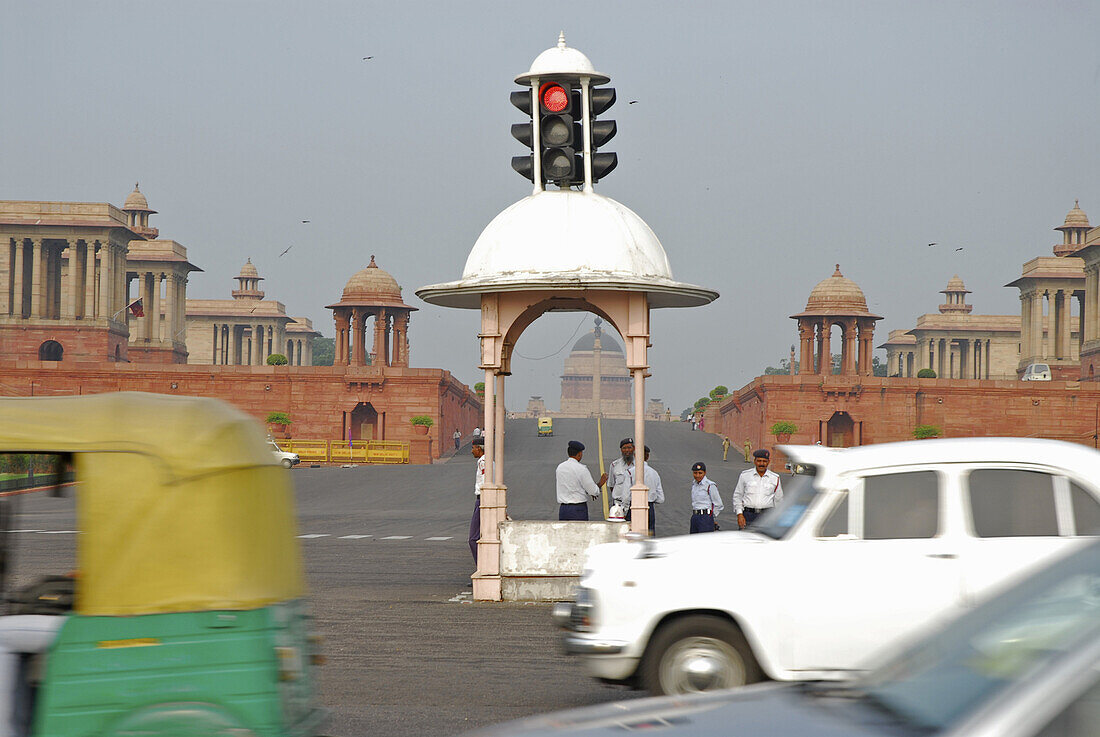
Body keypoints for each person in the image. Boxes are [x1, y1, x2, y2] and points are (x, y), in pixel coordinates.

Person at [555, 440, 607, 520]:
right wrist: (600, 483)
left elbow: (573, 486)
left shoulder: (560, 467)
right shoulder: (581, 469)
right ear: (579, 454)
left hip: (563, 509)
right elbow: (593, 491)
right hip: (578, 510)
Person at [733, 448, 783, 529]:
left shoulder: (775, 478)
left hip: (767, 516)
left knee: (765, 540)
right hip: (748, 515)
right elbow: (738, 496)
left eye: (764, 461)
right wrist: (739, 514)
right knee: (747, 540)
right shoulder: (745, 475)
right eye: (759, 461)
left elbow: (779, 500)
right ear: (755, 461)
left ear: (768, 462)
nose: (761, 464)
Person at [689, 461, 722, 533]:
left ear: (705, 473)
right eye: (695, 473)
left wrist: (710, 517)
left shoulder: (710, 485)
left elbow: (718, 504)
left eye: (700, 473)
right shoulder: (694, 485)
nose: (697, 475)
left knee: (704, 542)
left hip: (705, 518)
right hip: (695, 517)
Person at [468, 437, 486, 564]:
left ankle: (481, 568)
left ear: (479, 448)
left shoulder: (483, 462)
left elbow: (485, 481)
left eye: (473, 448)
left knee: (473, 539)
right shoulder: (489, 461)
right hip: (486, 500)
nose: (472, 451)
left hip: (483, 500)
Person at [640, 446, 664, 534]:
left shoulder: (630, 472)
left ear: (635, 455)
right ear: (647, 457)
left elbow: (626, 496)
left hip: (634, 507)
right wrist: (651, 498)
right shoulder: (654, 473)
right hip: (649, 507)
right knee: (649, 536)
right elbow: (661, 499)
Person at [607, 437, 635, 511]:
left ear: (634, 448)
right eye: (624, 448)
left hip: (635, 505)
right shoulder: (614, 465)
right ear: (621, 450)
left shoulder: (640, 465)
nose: (627, 450)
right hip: (618, 505)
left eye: (629, 447)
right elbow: (611, 485)